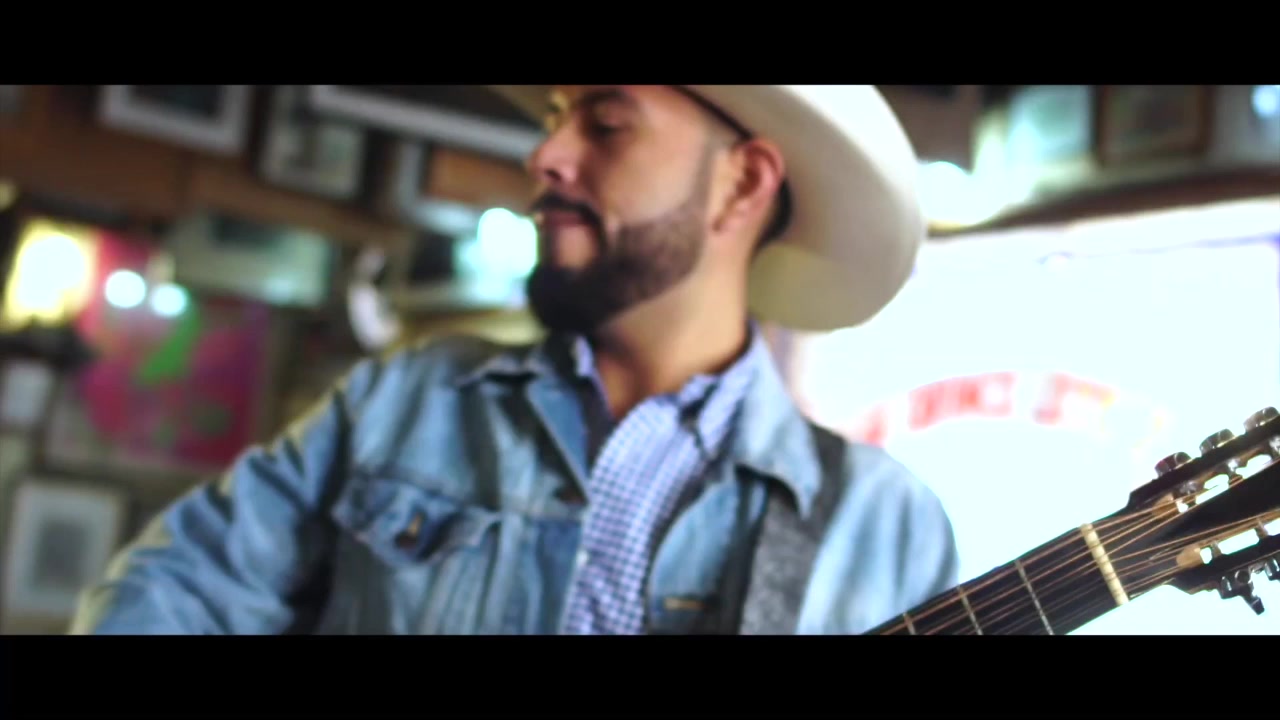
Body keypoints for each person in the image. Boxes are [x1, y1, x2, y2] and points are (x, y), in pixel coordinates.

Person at [70, 85, 960, 635]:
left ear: (744, 183)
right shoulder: (406, 398)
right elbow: (178, 590)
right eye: (556, 120)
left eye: (606, 123)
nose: (546, 155)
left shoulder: (888, 526)